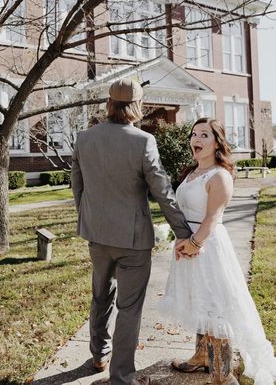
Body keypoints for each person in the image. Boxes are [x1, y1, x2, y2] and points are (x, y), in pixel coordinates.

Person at [71, 78, 192, 385]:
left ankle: (98, 354)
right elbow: (162, 191)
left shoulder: (84, 138)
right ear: (137, 106)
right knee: (129, 307)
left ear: (109, 104)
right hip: (133, 240)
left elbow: (77, 187)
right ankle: (121, 376)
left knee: (101, 295)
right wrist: (183, 232)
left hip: (97, 235)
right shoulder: (142, 141)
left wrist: (88, 218)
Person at [159, 117, 276, 385]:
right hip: (188, 245)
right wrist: (180, 240)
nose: (196, 140)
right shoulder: (191, 174)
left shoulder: (220, 176)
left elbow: (212, 218)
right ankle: (201, 356)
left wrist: (194, 244)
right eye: (194, 134)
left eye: (204, 135)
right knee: (199, 301)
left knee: (216, 307)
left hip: (208, 248)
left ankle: (223, 376)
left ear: (216, 143)